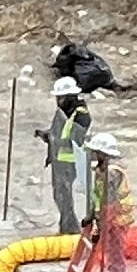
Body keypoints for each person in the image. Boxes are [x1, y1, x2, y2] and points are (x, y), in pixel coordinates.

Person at [43, 72, 92, 230]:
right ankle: (66, 227)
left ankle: (72, 230)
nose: (58, 101)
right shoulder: (62, 113)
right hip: (59, 161)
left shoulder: (81, 115)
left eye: (61, 98)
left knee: (69, 199)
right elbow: (58, 133)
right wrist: (47, 135)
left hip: (72, 163)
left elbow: (75, 137)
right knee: (61, 198)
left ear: (70, 97)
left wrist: (55, 139)